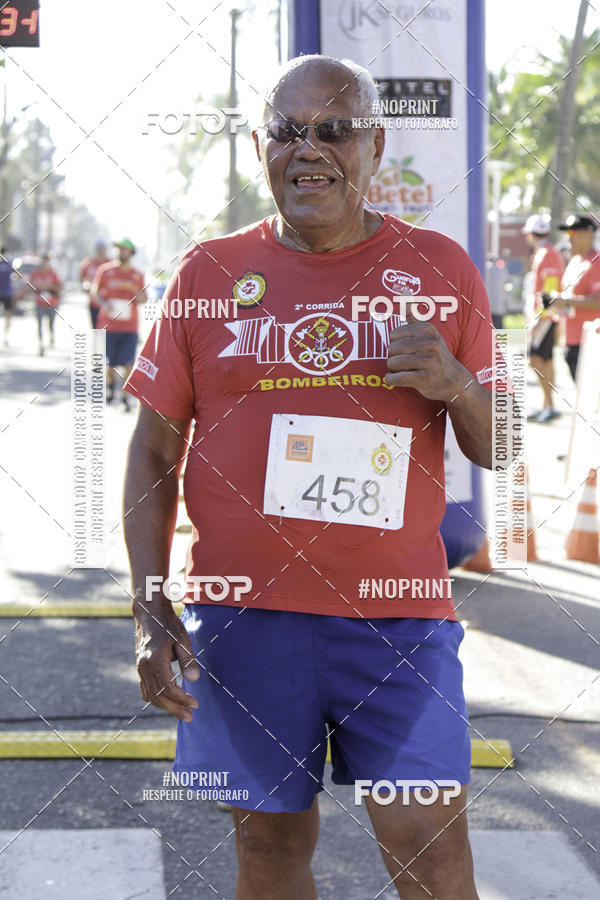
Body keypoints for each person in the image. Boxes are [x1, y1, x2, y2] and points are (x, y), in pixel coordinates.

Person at [123, 56, 495, 899]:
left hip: (399, 623)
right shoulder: (208, 275)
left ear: (374, 143)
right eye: (289, 131)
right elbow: (152, 451)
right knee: (270, 852)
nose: (310, 150)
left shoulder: (441, 268)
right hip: (244, 620)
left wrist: (458, 386)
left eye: (334, 130)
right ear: (261, 145)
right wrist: (149, 606)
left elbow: (498, 442)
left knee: (430, 849)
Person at [92, 237, 146, 411]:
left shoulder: (137, 275)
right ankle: (109, 389)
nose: (120, 252)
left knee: (129, 363)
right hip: (108, 325)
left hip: (130, 327)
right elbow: (95, 292)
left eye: (123, 249)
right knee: (109, 363)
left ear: (130, 252)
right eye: (118, 249)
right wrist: (103, 303)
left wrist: (137, 294)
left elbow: (144, 298)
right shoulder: (105, 271)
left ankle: (123, 396)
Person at [522, 213, 565, 422]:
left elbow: (548, 289)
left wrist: (538, 319)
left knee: (535, 359)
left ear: (531, 234)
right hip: (548, 314)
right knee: (546, 360)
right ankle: (547, 405)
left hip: (545, 316)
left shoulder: (545, 254)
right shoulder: (549, 252)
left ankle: (550, 405)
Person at [550, 213, 600, 382]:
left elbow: (598, 300)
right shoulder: (574, 261)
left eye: (573, 233)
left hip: (590, 342)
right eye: (568, 234)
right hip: (570, 340)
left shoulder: (596, 262)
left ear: (589, 233)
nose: (569, 238)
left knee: (590, 400)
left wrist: (566, 300)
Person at [30, 253, 62, 356]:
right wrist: (37, 287)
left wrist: (49, 286)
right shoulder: (35, 273)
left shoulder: (54, 274)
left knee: (50, 324)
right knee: (39, 323)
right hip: (39, 303)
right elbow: (30, 286)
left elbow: (59, 287)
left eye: (47, 261)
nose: (45, 263)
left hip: (52, 303)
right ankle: (41, 344)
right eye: (43, 260)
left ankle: (51, 337)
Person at [80, 239, 111, 328]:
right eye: (98, 248)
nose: (100, 251)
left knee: (107, 330)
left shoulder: (110, 263)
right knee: (95, 329)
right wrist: (85, 285)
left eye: (102, 248)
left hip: (107, 303)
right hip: (93, 302)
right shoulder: (88, 263)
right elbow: (83, 279)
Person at [485, 255, 508, 329]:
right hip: (498, 304)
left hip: (486, 304)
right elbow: (506, 282)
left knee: (487, 329)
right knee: (498, 330)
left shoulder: (483, 269)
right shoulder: (501, 270)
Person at [0, 246, 14, 347]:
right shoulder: (10, 264)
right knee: (8, 316)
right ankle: (6, 337)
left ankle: (6, 337)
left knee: (8, 317)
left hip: (7, 293)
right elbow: (16, 277)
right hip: (7, 293)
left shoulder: (9, 264)